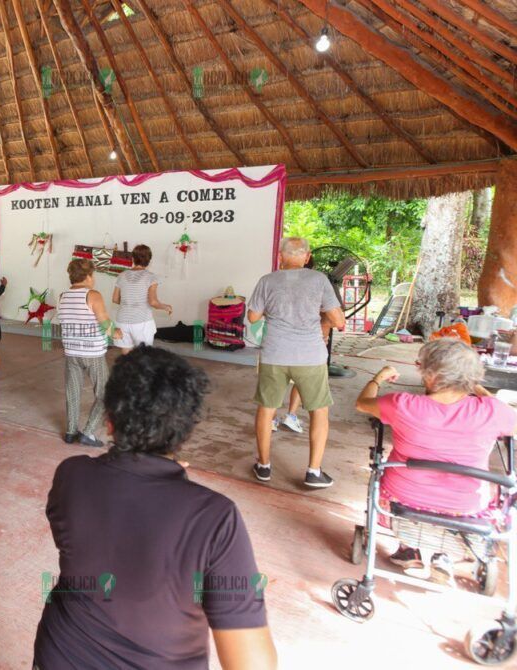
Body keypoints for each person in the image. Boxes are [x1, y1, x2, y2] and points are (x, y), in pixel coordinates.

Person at [34, 347, 277, 669]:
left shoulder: (71, 475)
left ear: (109, 421)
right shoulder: (215, 518)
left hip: (59, 657)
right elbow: (251, 663)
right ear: (185, 431)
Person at [355, 339, 517, 585]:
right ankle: (443, 555)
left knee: (387, 479)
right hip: (466, 506)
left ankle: (410, 549)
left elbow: (362, 403)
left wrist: (378, 377)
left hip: (402, 498)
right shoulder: (492, 411)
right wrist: (479, 390)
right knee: (493, 493)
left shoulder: (403, 404)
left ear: (430, 374)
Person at [246, 237, 345, 488]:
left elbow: (253, 317)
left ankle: (264, 466)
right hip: (310, 356)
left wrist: (273, 309)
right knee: (319, 411)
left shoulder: (267, 281)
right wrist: (322, 324)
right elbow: (338, 319)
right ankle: (313, 472)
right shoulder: (319, 280)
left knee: (266, 408)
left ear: (280, 256)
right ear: (307, 256)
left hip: (275, 354)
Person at [57, 259, 122, 448]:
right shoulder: (93, 295)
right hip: (92, 353)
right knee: (105, 393)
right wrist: (116, 332)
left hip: (71, 352)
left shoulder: (62, 296)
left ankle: (70, 432)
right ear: (88, 276)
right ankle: (88, 432)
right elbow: (104, 322)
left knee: (73, 392)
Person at [111, 244, 172, 353]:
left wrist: (129, 301)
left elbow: (115, 299)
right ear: (149, 260)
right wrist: (165, 307)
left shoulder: (121, 275)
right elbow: (153, 302)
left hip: (122, 320)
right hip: (141, 321)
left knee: (126, 353)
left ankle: (127, 370)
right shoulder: (151, 277)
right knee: (144, 355)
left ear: (133, 258)